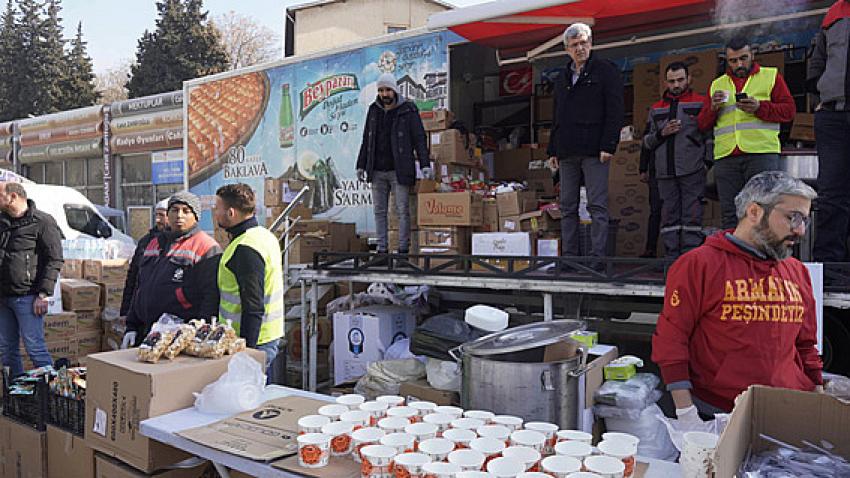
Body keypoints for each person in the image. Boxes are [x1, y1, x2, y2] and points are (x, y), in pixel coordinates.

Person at [652, 171, 823, 420]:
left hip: (785, 408)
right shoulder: (699, 264)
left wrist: (817, 395)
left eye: (804, 220)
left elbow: (806, 344)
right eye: (792, 218)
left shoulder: (796, 271)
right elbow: (671, 339)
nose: (800, 231)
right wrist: (685, 411)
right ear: (754, 212)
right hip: (717, 411)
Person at [547, 22, 624, 266]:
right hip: (567, 149)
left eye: (583, 43)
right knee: (567, 206)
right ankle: (570, 258)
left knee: (596, 205)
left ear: (591, 43)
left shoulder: (605, 70)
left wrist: (609, 144)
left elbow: (615, 110)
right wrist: (552, 149)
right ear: (567, 49)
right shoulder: (562, 77)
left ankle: (597, 258)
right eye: (574, 45)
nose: (580, 48)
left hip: (594, 149)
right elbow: (557, 114)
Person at [698, 36, 795, 229]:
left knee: (763, 210)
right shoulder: (717, 84)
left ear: (752, 54)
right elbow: (702, 124)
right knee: (730, 213)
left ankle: (761, 258)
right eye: (733, 61)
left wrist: (760, 107)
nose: (739, 64)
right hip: (726, 157)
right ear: (727, 60)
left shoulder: (771, 76)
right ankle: (734, 257)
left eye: (743, 58)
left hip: (761, 153)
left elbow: (789, 111)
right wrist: (713, 108)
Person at [122, 191, 221, 347]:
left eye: (186, 211)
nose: (179, 215)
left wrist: (198, 336)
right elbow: (140, 286)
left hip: (178, 336)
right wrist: (131, 325)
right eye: (174, 210)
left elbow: (211, 297)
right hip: (146, 332)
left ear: (196, 216)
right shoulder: (153, 243)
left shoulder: (206, 247)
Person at [213, 183, 284, 374]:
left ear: (231, 213)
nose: (215, 213)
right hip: (264, 336)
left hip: (254, 342)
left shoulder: (245, 247)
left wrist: (247, 353)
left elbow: (253, 305)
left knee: (247, 398)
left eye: (217, 208)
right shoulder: (264, 236)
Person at [356, 72, 429, 254]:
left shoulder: (408, 110)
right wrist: (361, 164)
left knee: (402, 210)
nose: (384, 94)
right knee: (380, 212)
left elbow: (419, 138)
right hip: (377, 170)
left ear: (395, 90)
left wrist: (425, 164)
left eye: (388, 90)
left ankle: (403, 250)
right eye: (381, 90)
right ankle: (382, 251)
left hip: (400, 169)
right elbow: (367, 139)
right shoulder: (373, 110)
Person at [644, 62, 709, 258]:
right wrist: (662, 133)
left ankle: (691, 259)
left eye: (680, 80)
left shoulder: (700, 102)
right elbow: (646, 142)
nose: (676, 84)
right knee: (669, 218)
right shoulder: (656, 108)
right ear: (665, 83)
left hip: (693, 169)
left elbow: (710, 135)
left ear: (689, 79)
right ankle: (672, 259)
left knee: (692, 217)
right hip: (665, 172)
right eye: (671, 81)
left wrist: (708, 163)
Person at [0, 182, 63, 376]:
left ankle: (52, 397)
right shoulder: (2, 222)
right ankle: (17, 397)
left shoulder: (42, 222)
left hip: (28, 297)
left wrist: (43, 293)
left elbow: (55, 259)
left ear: (13, 197)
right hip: (3, 297)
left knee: (35, 348)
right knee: (6, 350)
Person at [808, 0, 850, 263]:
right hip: (833, 115)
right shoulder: (832, 13)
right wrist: (816, 94)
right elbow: (818, 60)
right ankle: (829, 266)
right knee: (831, 193)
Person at [120, 198, 170, 316]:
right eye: (156, 215)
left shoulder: (176, 243)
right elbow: (132, 278)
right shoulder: (145, 242)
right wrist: (125, 311)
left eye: (162, 215)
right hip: (141, 310)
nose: (157, 219)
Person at [639, 129, 662, 258]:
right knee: (655, 210)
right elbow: (646, 143)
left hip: (682, 168)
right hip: (656, 170)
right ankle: (651, 249)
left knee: (674, 212)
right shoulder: (655, 113)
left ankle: (675, 250)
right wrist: (643, 168)